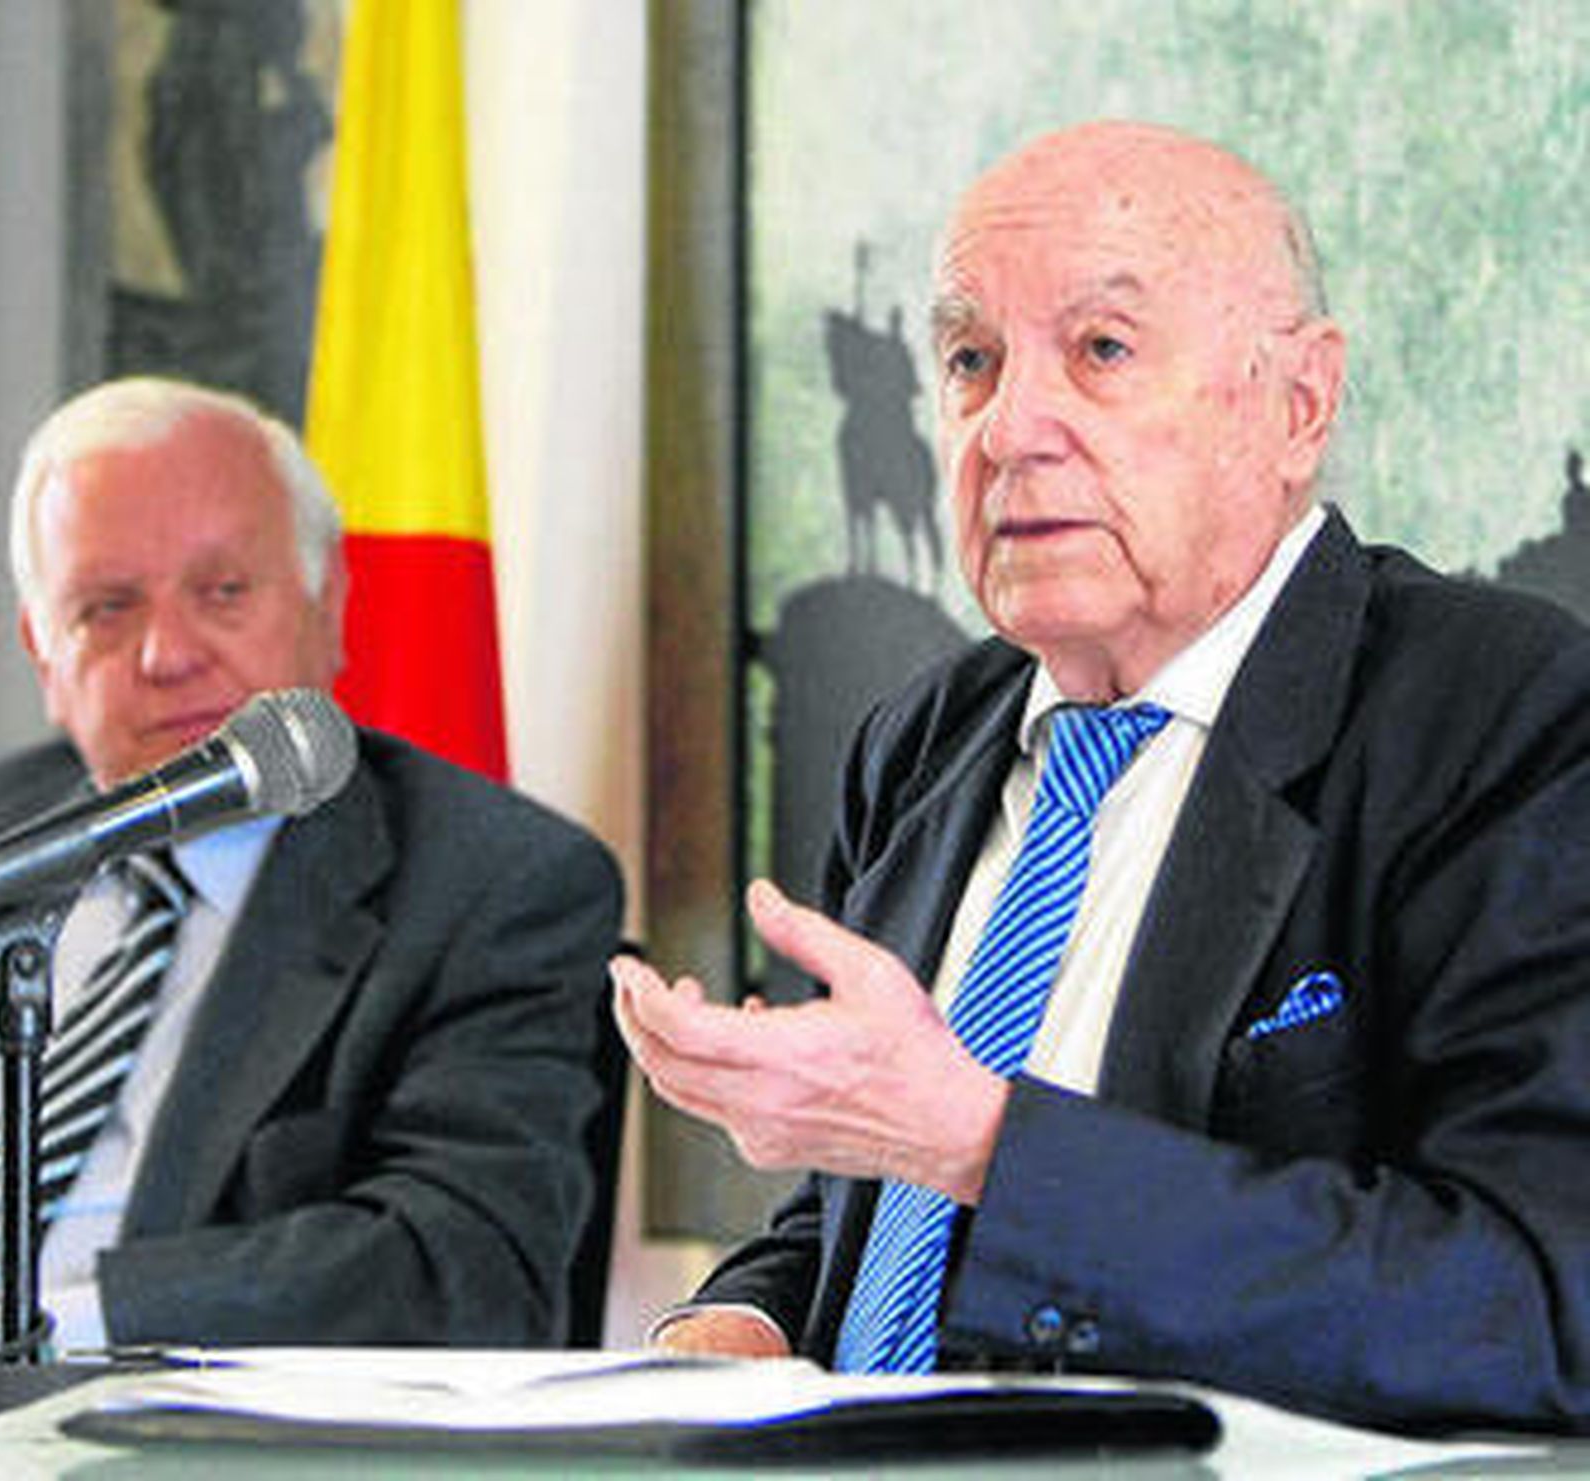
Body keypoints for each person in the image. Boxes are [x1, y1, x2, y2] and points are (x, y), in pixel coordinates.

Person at [612, 120, 1590, 1433]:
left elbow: (1532, 1300)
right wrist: (750, 1315)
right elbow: (868, 1208)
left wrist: (984, 1143)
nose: (1008, 428)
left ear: (1299, 403)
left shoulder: (1502, 715)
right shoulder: (924, 739)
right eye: (970, 360)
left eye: (1103, 351)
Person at [0, 376, 624, 1350]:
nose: (166, 652)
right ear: (43, 653)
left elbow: (459, 1263)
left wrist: (32, 1326)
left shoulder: (494, 886)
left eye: (223, 591)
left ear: (329, 605)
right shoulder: (10, 840)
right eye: (106, 607)